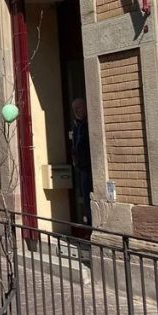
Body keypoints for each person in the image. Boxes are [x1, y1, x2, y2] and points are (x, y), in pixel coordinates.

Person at [71, 98, 92, 236]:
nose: (77, 111)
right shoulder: (77, 125)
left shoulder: (88, 124)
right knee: (86, 200)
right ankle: (89, 228)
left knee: (90, 199)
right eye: (74, 109)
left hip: (91, 169)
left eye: (79, 108)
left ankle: (92, 229)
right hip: (82, 169)